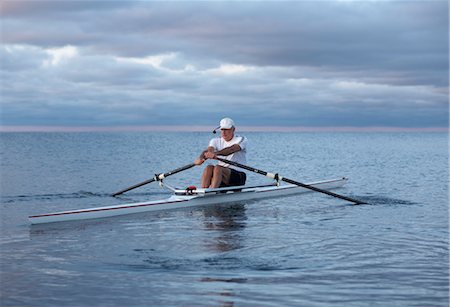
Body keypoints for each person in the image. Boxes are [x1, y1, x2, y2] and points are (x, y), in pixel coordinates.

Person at [194, 117, 247, 188]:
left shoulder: (241, 139)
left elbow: (231, 150)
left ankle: (212, 191)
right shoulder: (215, 140)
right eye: (222, 129)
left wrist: (215, 154)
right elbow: (209, 150)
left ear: (233, 129)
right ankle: (204, 191)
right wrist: (201, 157)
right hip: (220, 176)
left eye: (227, 130)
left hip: (238, 176)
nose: (224, 132)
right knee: (209, 167)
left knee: (218, 168)